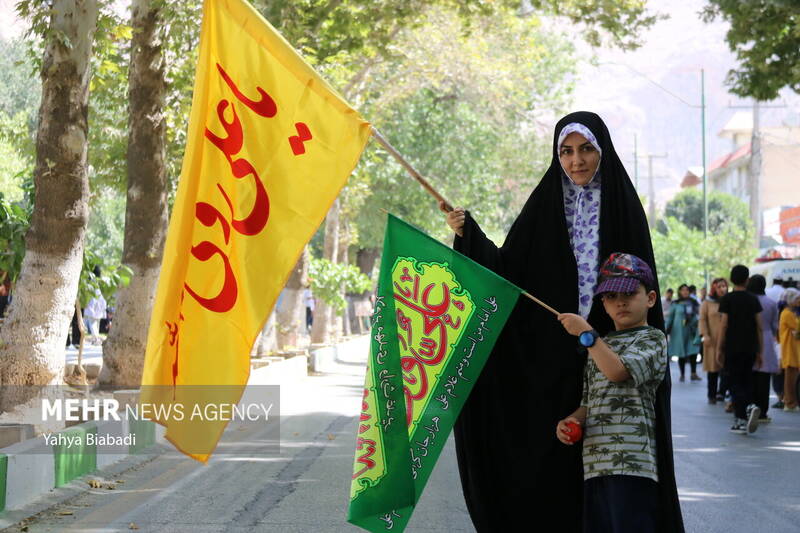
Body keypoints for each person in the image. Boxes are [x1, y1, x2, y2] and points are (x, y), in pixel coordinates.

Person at [443, 111, 683, 532]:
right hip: (550, 363)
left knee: (617, 488)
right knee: (549, 457)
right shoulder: (543, 209)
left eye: (586, 149)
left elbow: (643, 290)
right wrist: (469, 235)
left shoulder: (625, 210)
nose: (576, 161)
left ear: (602, 151)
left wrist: (600, 336)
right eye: (567, 152)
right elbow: (506, 273)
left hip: (613, 362)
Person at [556, 253, 669, 533]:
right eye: (611, 296)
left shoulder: (652, 338)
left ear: (651, 298)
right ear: (603, 304)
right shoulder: (600, 345)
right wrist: (572, 420)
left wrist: (587, 335)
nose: (620, 301)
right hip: (595, 464)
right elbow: (589, 402)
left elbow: (617, 371)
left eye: (630, 293)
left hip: (632, 465)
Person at [716, 265, 763, 434]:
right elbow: (759, 326)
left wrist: (719, 348)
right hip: (750, 347)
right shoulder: (753, 299)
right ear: (747, 280)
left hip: (732, 347)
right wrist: (760, 351)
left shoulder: (727, 299)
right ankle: (750, 405)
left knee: (734, 382)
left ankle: (740, 419)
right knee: (747, 379)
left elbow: (724, 324)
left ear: (731, 280)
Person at [747, 274, 779, 422]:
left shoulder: (748, 300)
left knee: (750, 376)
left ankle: (750, 407)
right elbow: (774, 326)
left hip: (749, 339)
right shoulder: (771, 303)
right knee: (764, 378)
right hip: (766, 339)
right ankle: (763, 412)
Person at [666, 284, 701, 382]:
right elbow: (670, 318)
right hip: (679, 332)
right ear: (680, 292)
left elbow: (699, 315)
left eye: (687, 290)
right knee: (681, 352)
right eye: (683, 290)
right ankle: (682, 374)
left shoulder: (694, 302)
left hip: (691, 330)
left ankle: (693, 373)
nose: (685, 292)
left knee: (693, 351)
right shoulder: (675, 304)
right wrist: (666, 330)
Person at [700, 278, 727, 404]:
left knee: (726, 368)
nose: (722, 289)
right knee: (713, 368)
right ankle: (712, 395)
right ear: (714, 288)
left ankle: (722, 392)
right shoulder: (707, 303)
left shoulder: (729, 301)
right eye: (719, 286)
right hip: (712, 339)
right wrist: (705, 334)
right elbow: (702, 320)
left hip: (727, 339)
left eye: (724, 286)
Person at [778, 288, 800, 412]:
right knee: (791, 377)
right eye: (797, 298)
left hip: (793, 349)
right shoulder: (788, 314)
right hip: (789, 350)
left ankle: (791, 401)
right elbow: (797, 327)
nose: (799, 300)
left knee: (793, 376)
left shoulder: (790, 313)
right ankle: (790, 402)